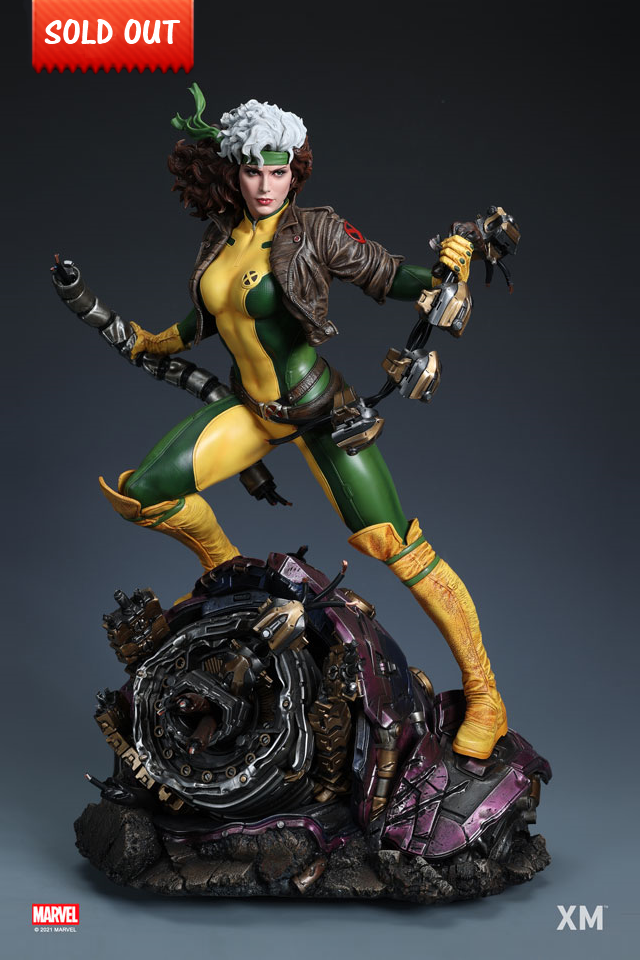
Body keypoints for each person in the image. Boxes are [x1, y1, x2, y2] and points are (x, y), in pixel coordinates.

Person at [98, 85, 507, 760]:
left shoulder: (315, 229)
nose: (265, 185)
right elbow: (209, 317)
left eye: (278, 170)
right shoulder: (220, 237)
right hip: (253, 413)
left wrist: (441, 273)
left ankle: (486, 695)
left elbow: (384, 274)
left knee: (395, 545)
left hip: (319, 411)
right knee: (143, 493)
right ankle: (226, 571)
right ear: (234, 170)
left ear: (296, 170)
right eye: (252, 170)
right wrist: (154, 341)